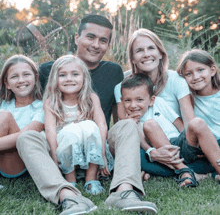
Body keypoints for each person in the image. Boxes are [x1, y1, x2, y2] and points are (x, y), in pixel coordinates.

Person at [17, 15, 157, 214]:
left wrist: (132, 159)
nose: (96, 45)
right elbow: (39, 115)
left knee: (127, 125)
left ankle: (124, 191)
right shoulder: (48, 70)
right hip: (60, 145)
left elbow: (118, 119)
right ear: (76, 38)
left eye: (103, 40)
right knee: (26, 137)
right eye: (90, 37)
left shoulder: (113, 71)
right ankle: (68, 195)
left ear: (108, 45)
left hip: (96, 148)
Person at [114, 28, 196, 179]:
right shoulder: (124, 86)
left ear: (160, 54)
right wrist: (152, 152)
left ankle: (162, 169)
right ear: (132, 58)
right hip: (145, 146)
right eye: (139, 50)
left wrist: (189, 146)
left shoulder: (175, 80)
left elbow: (189, 124)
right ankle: (189, 171)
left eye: (151, 48)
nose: (146, 54)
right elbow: (125, 125)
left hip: (176, 142)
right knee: (132, 154)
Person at [44, 55, 113, 194]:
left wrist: (103, 154)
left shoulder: (91, 98)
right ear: (54, 79)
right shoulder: (51, 102)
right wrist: (54, 158)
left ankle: (91, 178)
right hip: (65, 150)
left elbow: (102, 125)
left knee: (90, 126)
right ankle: (70, 180)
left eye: (75, 74)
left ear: (84, 78)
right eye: (62, 75)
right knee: (70, 132)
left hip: (90, 151)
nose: (69, 79)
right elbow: (50, 131)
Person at [176, 49, 220, 179]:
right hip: (199, 149)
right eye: (189, 74)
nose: (196, 77)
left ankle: (211, 172)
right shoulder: (186, 98)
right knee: (197, 124)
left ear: (212, 70)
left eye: (201, 70)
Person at [0, 55, 44, 184]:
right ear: (7, 84)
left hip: (20, 162)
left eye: (26, 74)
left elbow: (23, 136)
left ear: (35, 78)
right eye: (14, 76)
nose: (21, 80)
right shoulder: (4, 104)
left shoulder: (42, 107)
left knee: (5, 116)